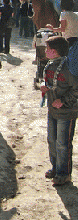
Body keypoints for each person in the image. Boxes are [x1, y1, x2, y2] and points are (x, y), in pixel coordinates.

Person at [40, 36, 78, 186]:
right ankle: (56, 168)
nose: (46, 51)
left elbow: (76, 89)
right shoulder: (49, 65)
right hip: (53, 111)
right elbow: (49, 81)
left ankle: (64, 174)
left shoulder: (69, 68)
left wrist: (62, 101)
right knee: (52, 140)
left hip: (67, 112)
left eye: (48, 49)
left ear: (55, 52)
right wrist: (44, 86)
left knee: (63, 143)